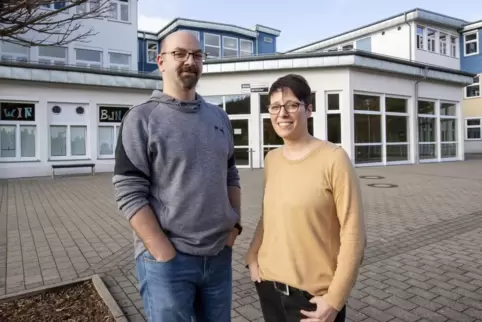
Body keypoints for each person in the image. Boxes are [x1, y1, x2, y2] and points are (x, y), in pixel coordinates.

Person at [112, 30, 242, 322]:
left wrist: (235, 227)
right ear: (161, 62)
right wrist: (162, 251)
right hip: (169, 261)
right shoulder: (141, 118)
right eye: (180, 54)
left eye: (197, 55)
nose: (190, 61)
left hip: (219, 254)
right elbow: (128, 190)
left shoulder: (219, 118)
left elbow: (231, 175)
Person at [245, 74, 366, 322]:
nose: (282, 113)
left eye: (291, 105)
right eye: (275, 107)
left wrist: (335, 300)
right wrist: (252, 256)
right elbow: (268, 215)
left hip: (312, 299)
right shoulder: (272, 160)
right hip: (269, 287)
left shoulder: (334, 158)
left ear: (308, 110)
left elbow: (354, 234)